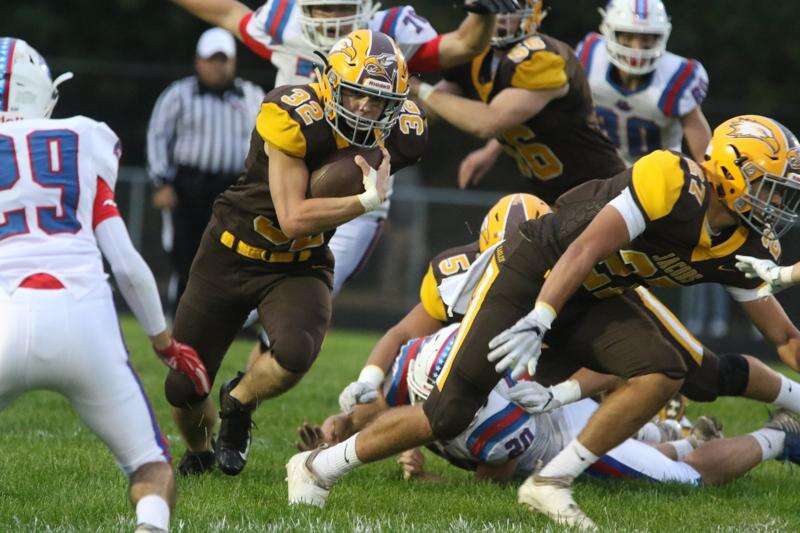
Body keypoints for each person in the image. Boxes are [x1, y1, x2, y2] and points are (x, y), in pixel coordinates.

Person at [285, 116, 800, 531]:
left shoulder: (745, 243)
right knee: (449, 412)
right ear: (730, 171)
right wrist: (540, 316)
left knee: (663, 369)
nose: (777, 204)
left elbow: (783, 336)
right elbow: (584, 247)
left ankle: (551, 483)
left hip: (592, 294)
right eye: (770, 188)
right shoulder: (672, 179)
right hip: (533, 270)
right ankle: (319, 467)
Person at [165, 30, 427, 478]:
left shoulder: (404, 131)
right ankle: (200, 450)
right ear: (331, 83)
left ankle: (239, 401)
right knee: (184, 385)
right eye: (357, 94)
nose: (366, 108)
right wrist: (365, 201)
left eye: (378, 100)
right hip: (232, 253)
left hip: (299, 263)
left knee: (295, 352)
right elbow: (292, 217)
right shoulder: (292, 112)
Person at [0, 38, 209, 533]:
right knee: (151, 467)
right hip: (84, 319)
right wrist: (164, 343)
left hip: (4, 320)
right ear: (40, 92)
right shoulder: (81, 139)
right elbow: (128, 265)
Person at [170, 0, 517, 296]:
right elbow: (226, 12)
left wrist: (483, 11)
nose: (333, 18)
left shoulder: (389, 33)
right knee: (238, 297)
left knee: (305, 297)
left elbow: (464, 44)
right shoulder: (284, 24)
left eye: (342, 7)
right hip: (283, 181)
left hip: (356, 186)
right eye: (323, 8)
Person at [300, 322, 800, 494]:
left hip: (556, 435)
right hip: (547, 404)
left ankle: (781, 437)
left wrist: (432, 478)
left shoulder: (495, 426)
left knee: (682, 480)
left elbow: (491, 481)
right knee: (652, 452)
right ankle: (687, 438)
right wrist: (338, 428)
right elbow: (372, 409)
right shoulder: (420, 361)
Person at [575, 0, 727, 339]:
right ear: (609, 31)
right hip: (600, 176)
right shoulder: (589, 59)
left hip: (658, 187)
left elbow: (701, 143)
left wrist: (716, 191)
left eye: (647, 38)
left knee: (637, 266)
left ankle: (651, 336)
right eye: (628, 36)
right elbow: (553, 108)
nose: (637, 47)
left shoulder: (676, 77)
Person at [414, 1, 625, 203]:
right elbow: (431, 107)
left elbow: (488, 121)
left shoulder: (542, 57)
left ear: (532, 9)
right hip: (551, 195)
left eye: (512, 5)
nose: (500, 12)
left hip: (601, 187)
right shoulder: (477, 56)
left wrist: (417, 87)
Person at [147, 27, 265, 315]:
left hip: (234, 188)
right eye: (212, 59)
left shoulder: (251, 96)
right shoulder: (179, 95)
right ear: (198, 61)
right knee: (186, 256)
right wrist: (161, 182)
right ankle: (181, 319)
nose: (217, 66)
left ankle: (225, 323)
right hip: (189, 187)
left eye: (223, 60)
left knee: (233, 258)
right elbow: (158, 136)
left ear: (233, 62)